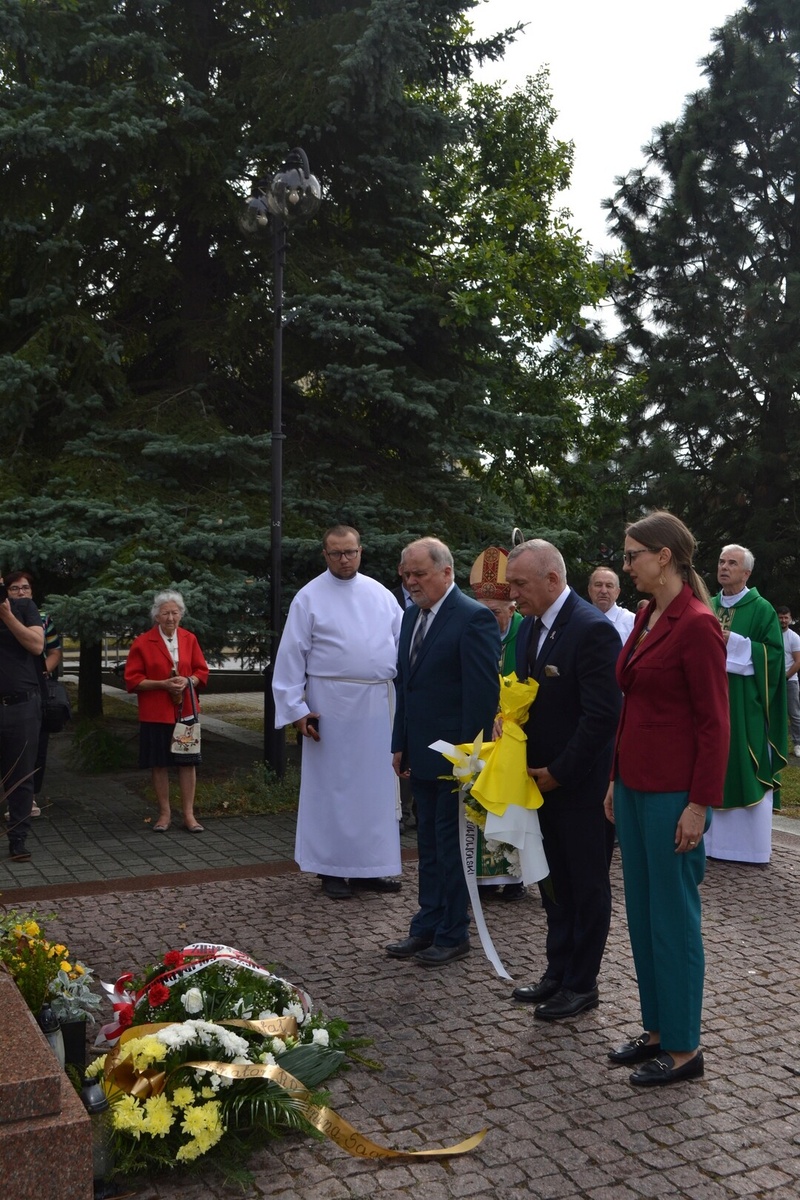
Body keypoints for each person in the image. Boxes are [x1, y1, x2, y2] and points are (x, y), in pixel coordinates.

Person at [604, 511, 729, 1086]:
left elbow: (715, 723)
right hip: (634, 786)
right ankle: (656, 1029)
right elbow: (632, 703)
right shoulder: (647, 615)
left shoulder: (697, 624)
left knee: (674, 918)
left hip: (674, 793)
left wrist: (699, 804)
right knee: (643, 911)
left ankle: (683, 1047)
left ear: (664, 557)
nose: (626, 564)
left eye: (633, 555)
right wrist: (614, 778)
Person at [506, 539, 621, 1019]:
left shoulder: (592, 630)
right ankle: (557, 971)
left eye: (520, 583)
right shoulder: (530, 627)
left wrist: (560, 772)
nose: (513, 594)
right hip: (540, 784)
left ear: (552, 579)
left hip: (581, 788)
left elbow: (602, 716)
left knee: (587, 886)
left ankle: (581, 983)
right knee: (553, 883)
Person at [273, 525, 403, 900]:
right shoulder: (309, 597)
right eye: (336, 553)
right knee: (332, 790)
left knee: (375, 790)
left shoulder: (381, 594)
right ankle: (330, 868)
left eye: (350, 552)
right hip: (329, 706)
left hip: (377, 705)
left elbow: (403, 642)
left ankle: (370, 868)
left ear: (361, 551)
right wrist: (297, 710)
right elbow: (291, 657)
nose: (344, 559)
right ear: (325, 555)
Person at [387, 537, 500, 966]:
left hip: (456, 758)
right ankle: (427, 925)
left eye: (419, 574)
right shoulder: (410, 616)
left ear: (446, 572)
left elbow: (481, 696)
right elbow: (406, 685)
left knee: (452, 849)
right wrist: (400, 743)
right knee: (429, 846)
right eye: (406, 575)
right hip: (420, 752)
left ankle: (454, 933)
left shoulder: (473, 618)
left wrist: (470, 760)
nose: (411, 582)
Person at [704, 544, 787, 864]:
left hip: (744, 704)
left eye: (732, 563)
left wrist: (736, 643)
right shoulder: (708, 604)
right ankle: (706, 842)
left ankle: (746, 849)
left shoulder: (762, 609)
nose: (724, 567)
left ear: (747, 573)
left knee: (745, 762)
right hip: (709, 699)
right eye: (721, 561)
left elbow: (774, 657)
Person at [124, 590, 209, 833]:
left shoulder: (189, 639)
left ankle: (189, 815)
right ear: (156, 616)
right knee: (159, 763)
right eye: (165, 613)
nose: (171, 618)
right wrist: (162, 684)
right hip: (156, 713)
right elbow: (132, 680)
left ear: (181, 614)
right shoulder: (143, 642)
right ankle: (164, 814)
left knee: (187, 763)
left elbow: (202, 672)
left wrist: (188, 680)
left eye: (175, 612)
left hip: (186, 710)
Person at [470, 545, 525, 899]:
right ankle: (483, 879)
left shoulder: (527, 630)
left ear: (512, 608)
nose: (487, 618)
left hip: (517, 735)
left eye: (494, 612)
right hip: (481, 734)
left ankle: (515, 878)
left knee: (513, 809)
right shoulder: (474, 630)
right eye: (483, 610)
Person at [4, 570, 62, 814]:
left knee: (34, 746)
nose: (21, 592)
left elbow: (54, 650)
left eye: (25, 588)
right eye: (15, 588)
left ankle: (29, 798)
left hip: (35, 689)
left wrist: (42, 672)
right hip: (11, 688)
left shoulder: (42, 618)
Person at [0, 571, 45, 862]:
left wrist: (7, 615)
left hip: (22, 705)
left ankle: (18, 839)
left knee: (21, 774)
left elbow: (37, 645)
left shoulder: (24, 606)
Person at [587, 566, 635, 642]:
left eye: (609, 586)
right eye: (598, 585)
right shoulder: (577, 620)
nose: (604, 591)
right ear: (589, 590)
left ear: (617, 592)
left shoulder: (632, 622)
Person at [777, 607, 800, 757]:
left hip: (789, 681)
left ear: (790, 619)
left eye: (786, 618)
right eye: (781, 617)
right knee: (774, 713)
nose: (783, 620)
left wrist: (785, 677)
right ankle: (777, 744)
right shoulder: (772, 634)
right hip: (773, 681)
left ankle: (798, 743)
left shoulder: (794, 637)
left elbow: (798, 662)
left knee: (794, 714)